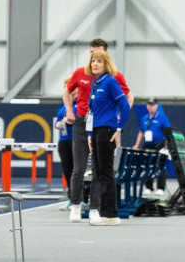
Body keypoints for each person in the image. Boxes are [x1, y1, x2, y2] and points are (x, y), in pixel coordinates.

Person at [61, 39, 132, 220]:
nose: (94, 60)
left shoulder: (112, 78)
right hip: (84, 124)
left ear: (106, 56)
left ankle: (97, 209)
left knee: (100, 170)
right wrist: (69, 110)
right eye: (92, 55)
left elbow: (127, 99)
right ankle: (76, 205)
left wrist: (118, 124)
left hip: (104, 126)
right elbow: (67, 92)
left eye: (99, 57)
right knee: (80, 167)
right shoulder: (84, 75)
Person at [83, 51, 131, 226]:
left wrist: (119, 128)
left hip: (106, 130)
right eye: (93, 61)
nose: (95, 64)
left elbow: (124, 105)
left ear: (106, 64)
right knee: (99, 172)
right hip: (96, 130)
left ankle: (110, 215)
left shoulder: (110, 82)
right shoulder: (96, 84)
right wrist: (90, 135)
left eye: (99, 61)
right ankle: (105, 213)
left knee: (106, 172)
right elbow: (92, 112)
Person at [135, 98, 170, 193]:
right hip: (147, 145)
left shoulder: (162, 118)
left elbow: (168, 132)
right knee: (147, 166)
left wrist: (167, 144)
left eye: (152, 105)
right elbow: (141, 132)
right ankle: (148, 187)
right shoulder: (144, 118)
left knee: (161, 166)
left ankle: (160, 188)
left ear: (156, 106)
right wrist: (136, 144)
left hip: (160, 145)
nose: (150, 107)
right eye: (149, 105)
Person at [54, 94, 75, 211]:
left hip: (75, 139)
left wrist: (69, 120)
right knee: (67, 170)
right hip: (63, 140)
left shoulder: (79, 103)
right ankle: (71, 198)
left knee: (77, 171)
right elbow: (58, 121)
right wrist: (61, 123)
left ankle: (81, 198)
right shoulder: (63, 104)